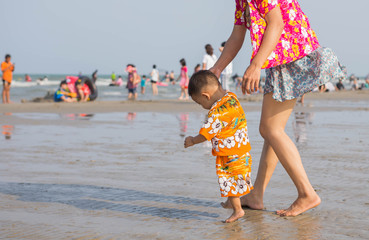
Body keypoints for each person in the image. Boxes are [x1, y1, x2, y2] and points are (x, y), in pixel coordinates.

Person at [209, 0, 345, 217]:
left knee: (270, 130)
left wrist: (255, 65)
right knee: (272, 129)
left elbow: (277, 23)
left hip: (293, 55)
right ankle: (256, 195)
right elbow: (237, 35)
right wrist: (217, 68)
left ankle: (307, 194)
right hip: (279, 59)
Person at [184, 70, 253, 223]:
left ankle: (238, 210)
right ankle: (231, 202)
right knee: (236, 179)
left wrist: (192, 141)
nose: (203, 107)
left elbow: (206, 134)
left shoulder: (216, 113)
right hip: (242, 150)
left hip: (230, 154)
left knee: (230, 181)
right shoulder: (231, 97)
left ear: (206, 96)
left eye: (201, 104)